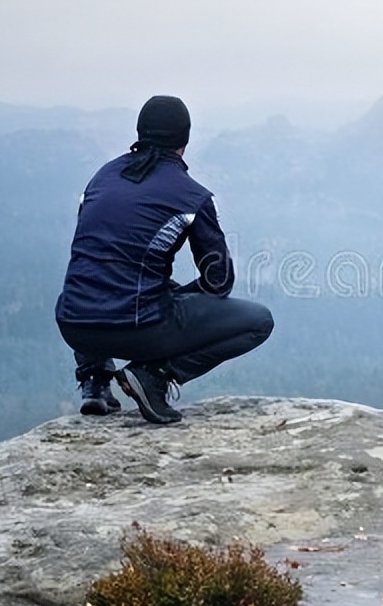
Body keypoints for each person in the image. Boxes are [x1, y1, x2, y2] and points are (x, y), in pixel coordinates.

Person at [55, 95, 273, 424]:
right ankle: (154, 375)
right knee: (259, 321)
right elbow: (220, 281)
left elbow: (96, 256)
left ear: (140, 133)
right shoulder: (191, 195)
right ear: (184, 141)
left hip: (74, 323)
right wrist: (180, 294)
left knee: (99, 275)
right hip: (140, 328)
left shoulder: (101, 178)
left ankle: (95, 383)